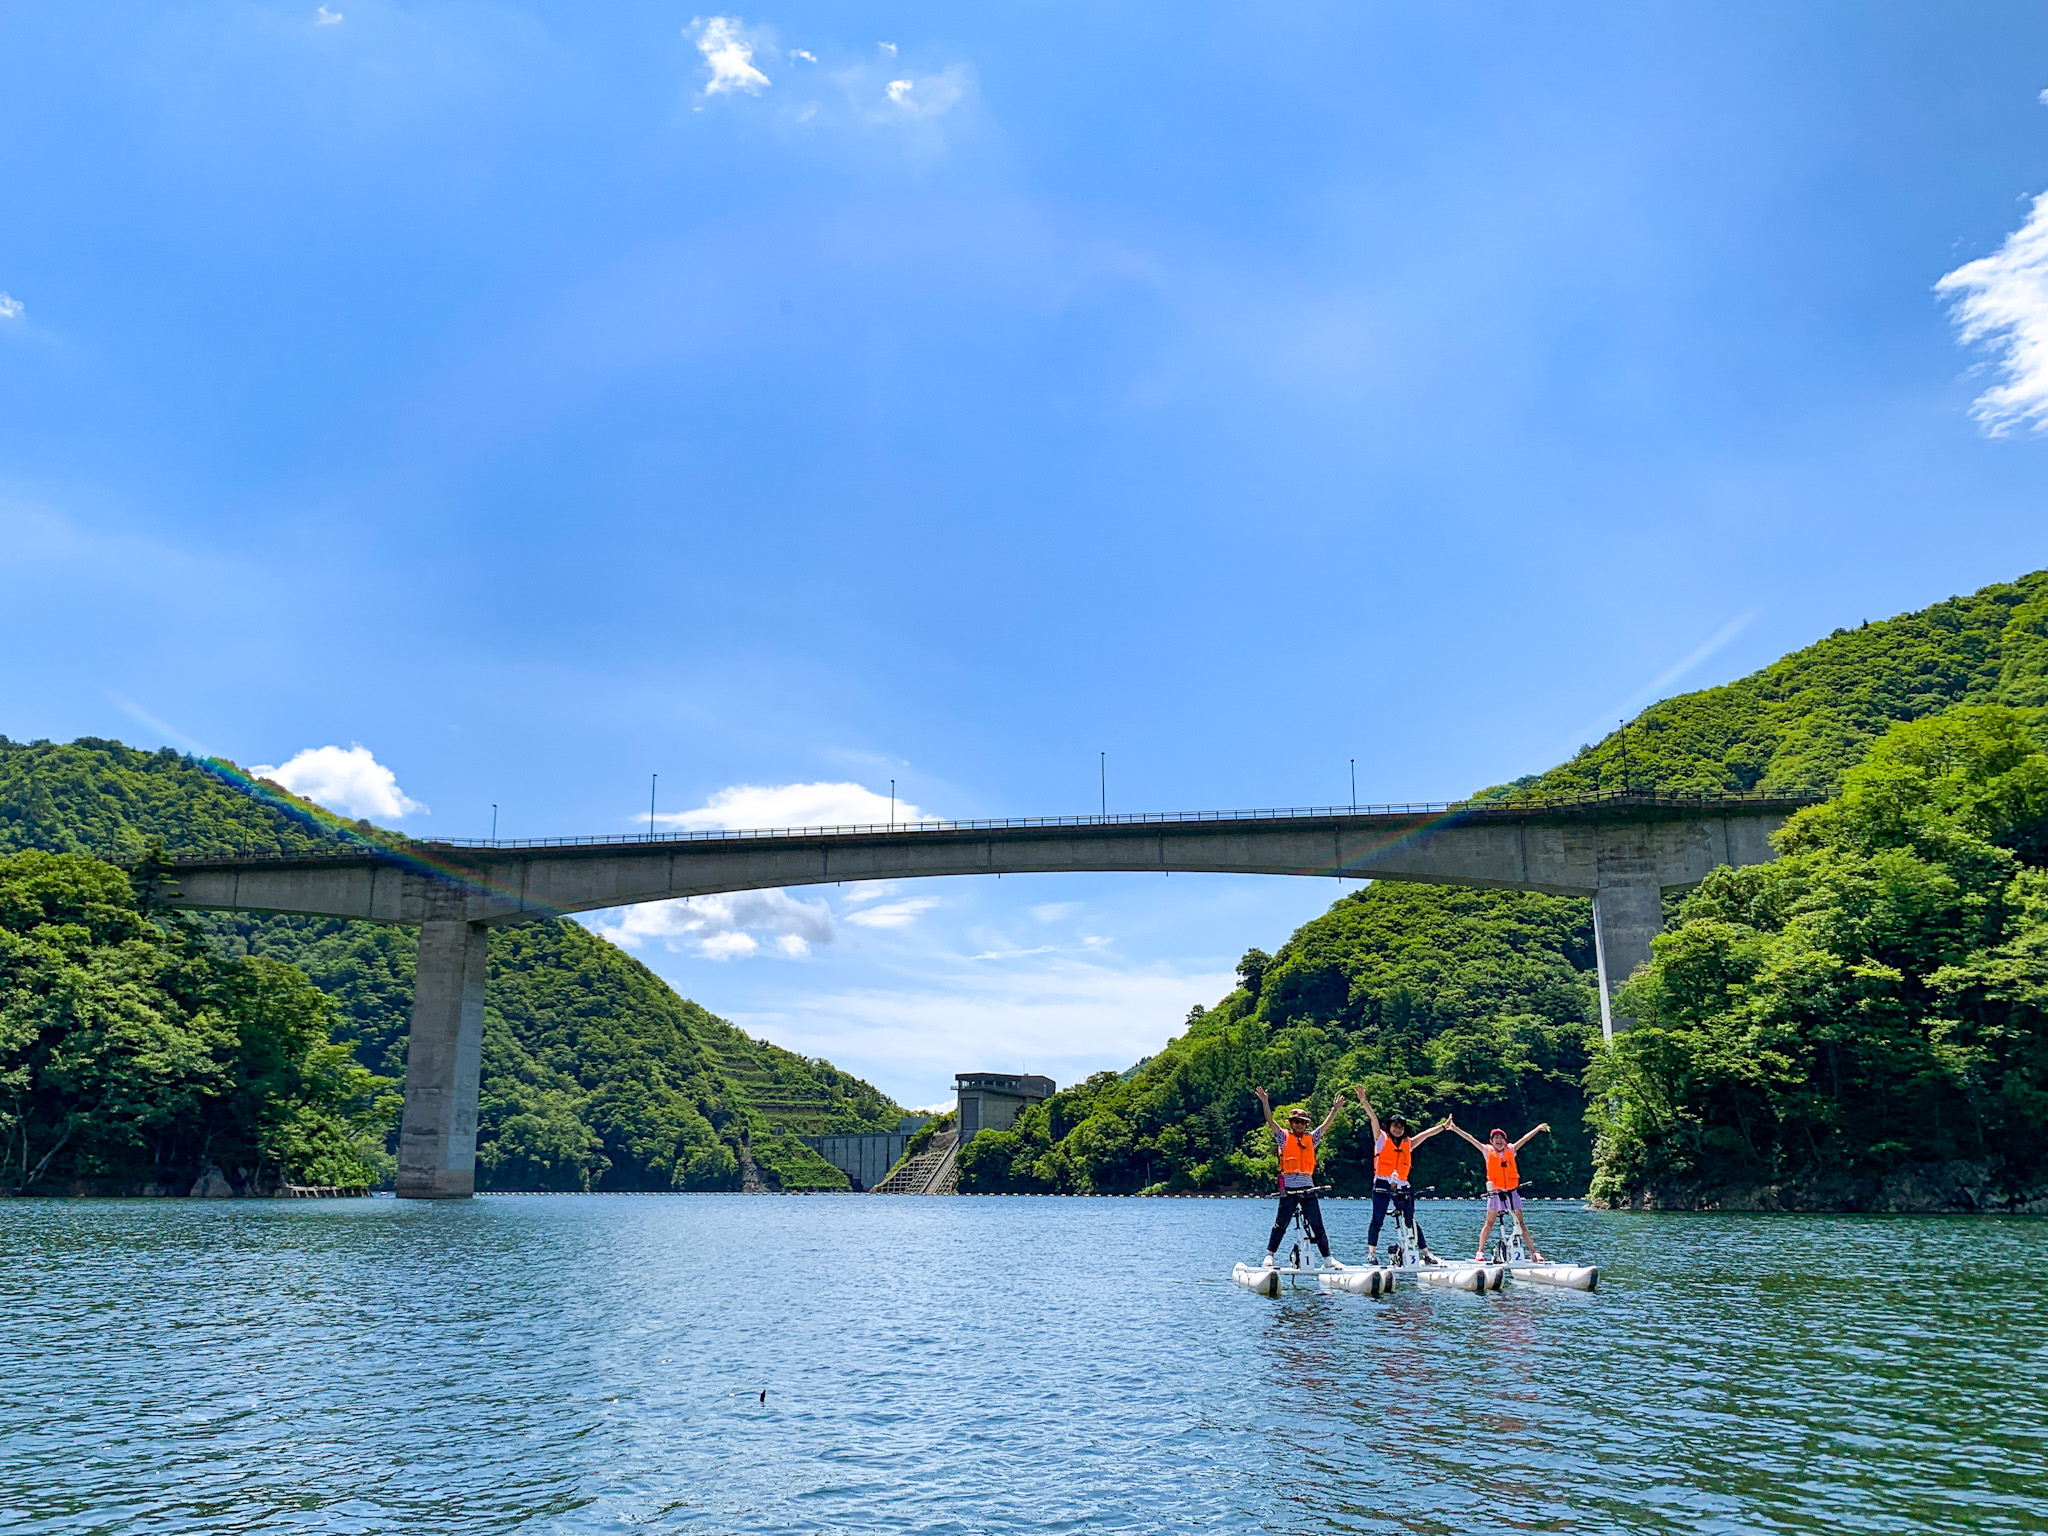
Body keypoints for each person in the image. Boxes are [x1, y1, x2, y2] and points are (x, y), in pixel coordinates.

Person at [1251, 1086, 1349, 1269]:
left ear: (1306, 1125)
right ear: (1291, 1123)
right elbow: (1270, 1121)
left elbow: (1325, 1126)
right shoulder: (1283, 1138)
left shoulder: (1311, 1139)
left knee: (1317, 1224)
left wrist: (1335, 1109)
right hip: (1288, 1189)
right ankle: (1270, 1256)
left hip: (1308, 1189)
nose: (1299, 1125)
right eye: (1296, 1121)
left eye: (1302, 1122)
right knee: (1281, 1223)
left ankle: (1328, 1259)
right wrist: (1265, 1102)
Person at [1354, 1090, 1449, 1264]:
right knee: (1377, 1219)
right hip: (1383, 1183)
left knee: (1410, 1220)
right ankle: (1372, 1254)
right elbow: (1373, 1119)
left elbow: (1426, 1134)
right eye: (1395, 1126)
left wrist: (1444, 1126)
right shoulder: (1381, 1139)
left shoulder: (1408, 1143)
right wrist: (1363, 1100)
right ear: (1389, 1127)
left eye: (1401, 1126)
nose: (1397, 1129)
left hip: (1403, 1185)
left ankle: (1426, 1253)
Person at [1446, 1117, 1549, 1261]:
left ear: (1505, 1141)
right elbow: (1470, 1139)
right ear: (1491, 1140)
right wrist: (1455, 1129)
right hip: (1495, 1193)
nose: (1498, 1140)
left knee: (1520, 1223)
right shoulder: (1487, 1151)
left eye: (1501, 1137)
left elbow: (1525, 1139)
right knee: (1489, 1223)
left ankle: (1534, 1253)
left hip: (1512, 1192)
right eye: (1496, 1138)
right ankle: (1480, 1251)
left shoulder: (1511, 1150)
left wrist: (1537, 1129)